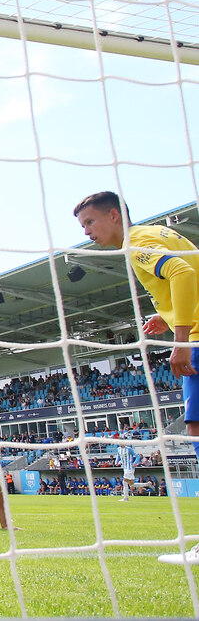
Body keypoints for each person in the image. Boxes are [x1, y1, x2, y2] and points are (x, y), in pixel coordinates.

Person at [75, 191, 199, 462]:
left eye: (89, 222)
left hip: (196, 340)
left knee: (196, 427)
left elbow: (183, 273)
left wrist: (180, 341)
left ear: (114, 215)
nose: (86, 232)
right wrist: (167, 316)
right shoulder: (159, 233)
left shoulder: (137, 243)